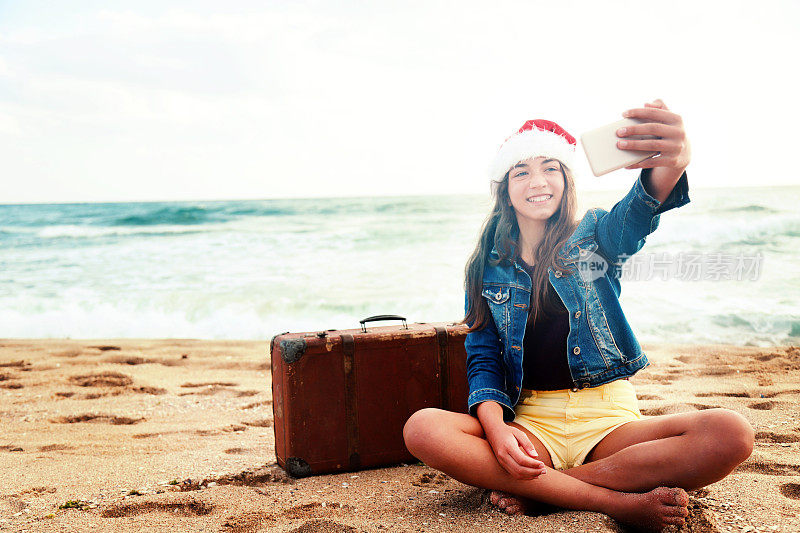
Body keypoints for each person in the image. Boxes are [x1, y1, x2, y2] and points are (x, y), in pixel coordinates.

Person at [403, 100, 754, 531]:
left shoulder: (596, 236)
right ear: (504, 188)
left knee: (730, 432)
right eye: (521, 171)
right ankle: (615, 501)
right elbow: (483, 359)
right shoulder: (485, 267)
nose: (538, 181)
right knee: (423, 428)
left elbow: (640, 210)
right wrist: (496, 429)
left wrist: (672, 161)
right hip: (533, 423)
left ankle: (548, 492)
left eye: (551, 167)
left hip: (609, 421)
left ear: (566, 181)